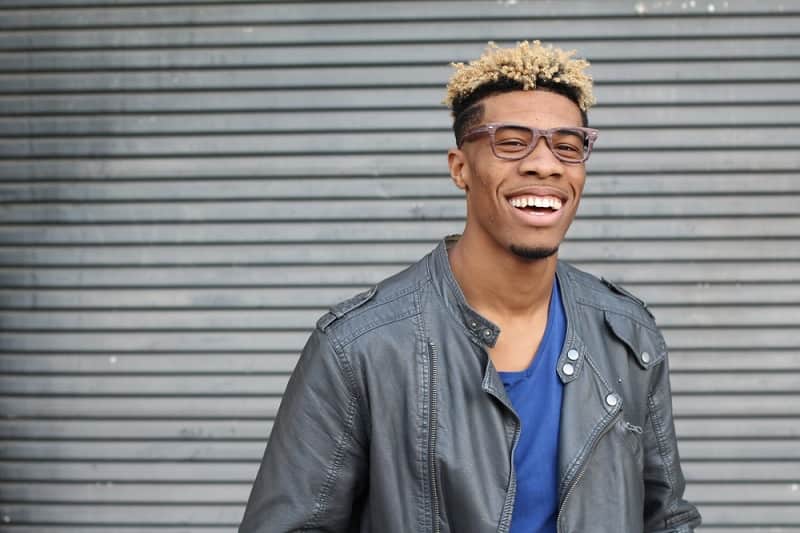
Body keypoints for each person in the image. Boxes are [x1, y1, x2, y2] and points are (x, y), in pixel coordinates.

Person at [240, 40, 701, 533]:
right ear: (460, 167)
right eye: (511, 142)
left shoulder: (628, 337)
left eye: (567, 146)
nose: (544, 164)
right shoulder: (360, 348)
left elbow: (667, 518)